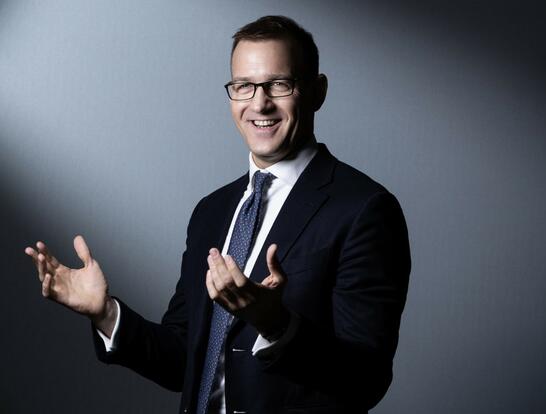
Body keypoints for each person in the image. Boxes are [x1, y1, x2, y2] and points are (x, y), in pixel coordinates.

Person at [24, 15, 410, 414]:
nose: (259, 103)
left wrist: (276, 324)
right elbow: (183, 362)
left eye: (279, 84)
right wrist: (105, 313)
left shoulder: (364, 210)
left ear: (317, 91)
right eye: (244, 86)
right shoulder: (211, 211)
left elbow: (366, 379)